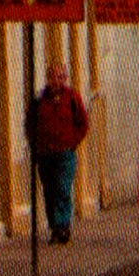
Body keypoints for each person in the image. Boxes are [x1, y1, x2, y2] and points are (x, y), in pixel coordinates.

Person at [24, 60, 90, 241]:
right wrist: (35, 144)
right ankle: (54, 227)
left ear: (65, 78)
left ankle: (63, 226)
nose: (57, 81)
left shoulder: (72, 98)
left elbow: (83, 123)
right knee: (49, 191)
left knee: (62, 188)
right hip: (45, 154)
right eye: (53, 77)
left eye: (61, 77)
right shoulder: (39, 100)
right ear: (48, 78)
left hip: (65, 153)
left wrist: (73, 141)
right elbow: (30, 124)